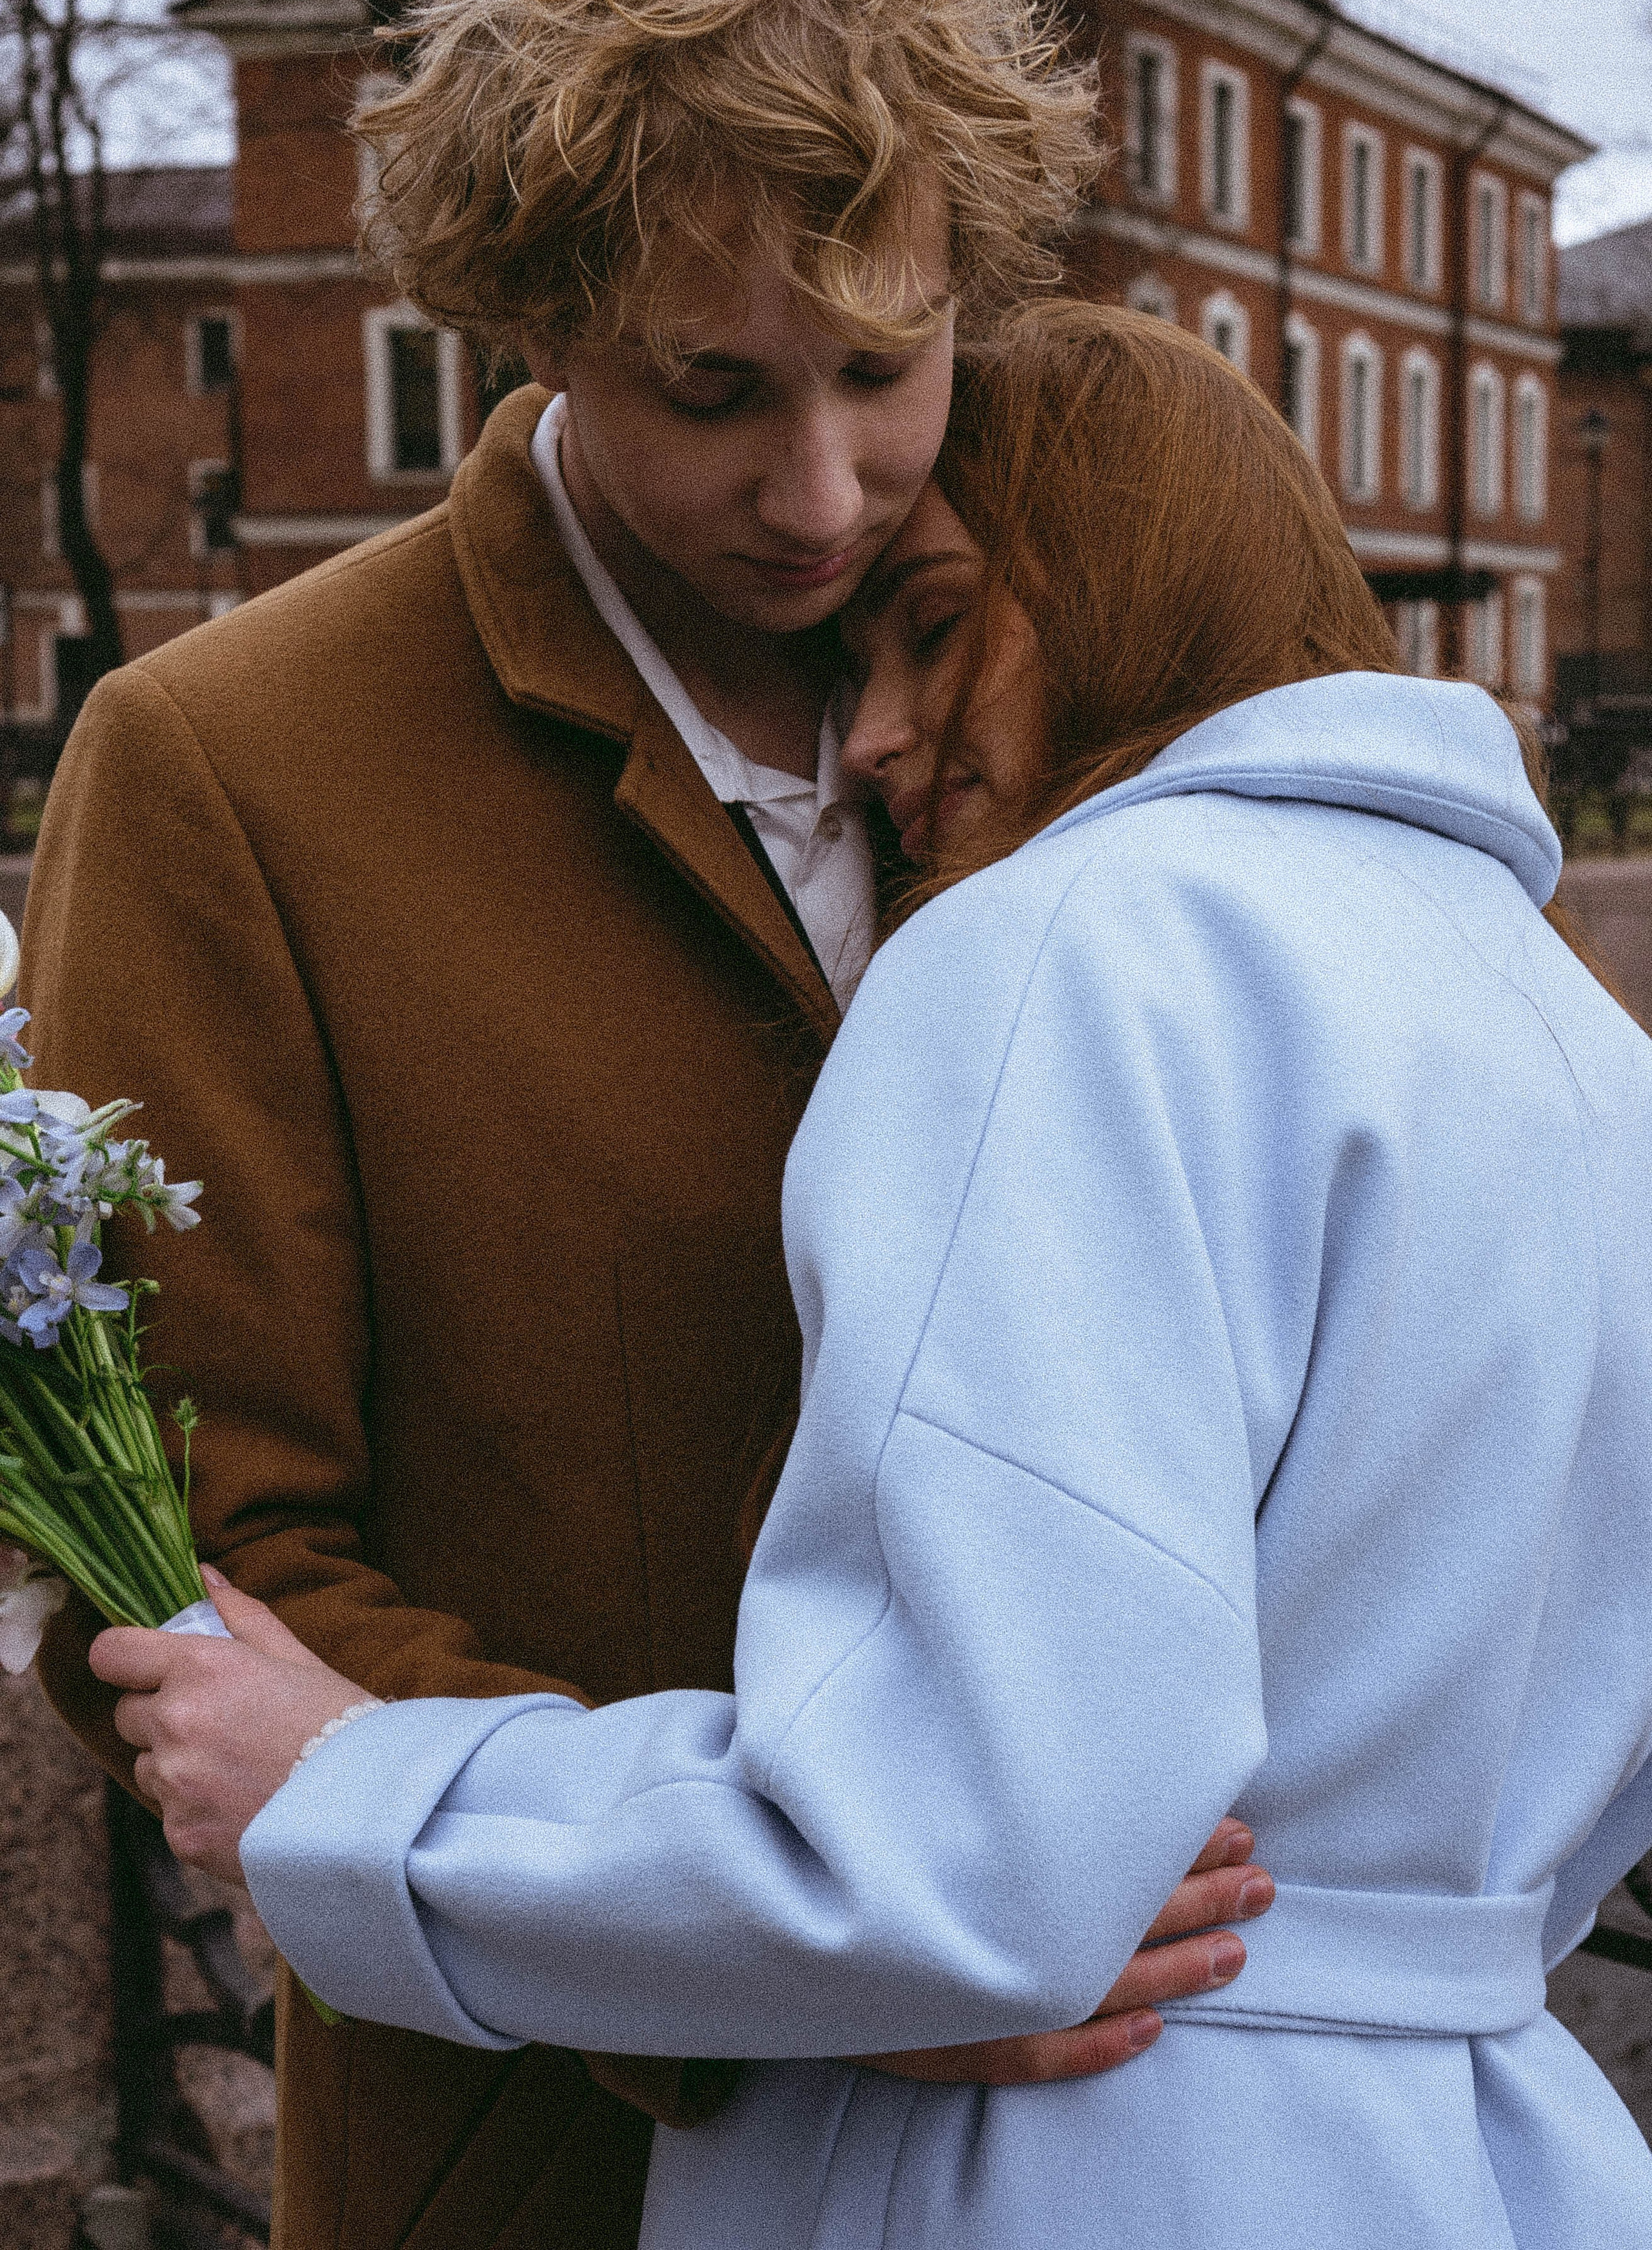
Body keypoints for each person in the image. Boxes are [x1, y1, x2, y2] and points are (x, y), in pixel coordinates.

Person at [97, 300, 1652, 2248]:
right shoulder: (1583, 1039)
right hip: (1490, 2149)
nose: (884, 735)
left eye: (935, 627)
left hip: (1078, 2158)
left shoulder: (1058, 946)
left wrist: (353, 1787)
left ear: (1131, 581)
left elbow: (951, 1869)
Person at [27, 0, 1267, 2250]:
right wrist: (784, 1941)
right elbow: (185, 1570)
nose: (822, 492)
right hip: (554, 2156)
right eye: (715, 389)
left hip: (1152, 2128)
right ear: (532, 308)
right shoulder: (223, 769)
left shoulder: (1092, 647)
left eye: (890, 369)